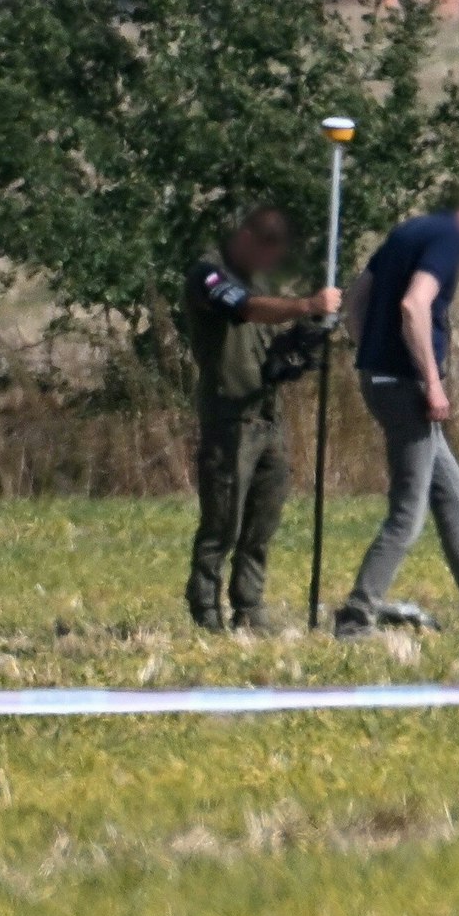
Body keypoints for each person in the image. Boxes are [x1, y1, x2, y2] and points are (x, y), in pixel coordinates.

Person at [333, 188, 459, 638]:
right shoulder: (448, 241)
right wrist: (433, 384)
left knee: (454, 494)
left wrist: (370, 353)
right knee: (409, 512)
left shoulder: (412, 230)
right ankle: (357, 616)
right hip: (408, 389)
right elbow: (413, 305)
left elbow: (354, 303)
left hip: (382, 381)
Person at [182, 207, 342, 632]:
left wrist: (306, 337)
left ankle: (250, 608)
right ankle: (206, 611)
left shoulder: (262, 284)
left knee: (263, 520)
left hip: (267, 416)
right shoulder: (209, 276)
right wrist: (306, 303)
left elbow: (270, 349)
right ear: (248, 239)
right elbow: (246, 310)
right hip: (229, 418)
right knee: (223, 522)